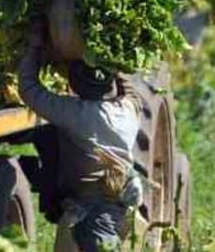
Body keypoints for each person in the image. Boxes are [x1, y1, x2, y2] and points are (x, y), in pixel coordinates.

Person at [19, 22, 143, 252]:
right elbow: (133, 94)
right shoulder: (127, 111)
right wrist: (115, 60)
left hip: (89, 209)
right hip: (120, 207)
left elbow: (29, 90)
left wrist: (34, 45)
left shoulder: (75, 113)